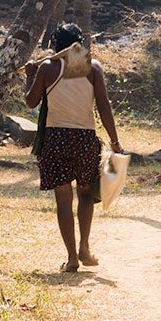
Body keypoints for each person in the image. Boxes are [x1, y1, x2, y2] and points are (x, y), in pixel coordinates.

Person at [24, 23, 123, 273]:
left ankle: (71, 258)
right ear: (80, 45)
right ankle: (85, 246)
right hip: (85, 140)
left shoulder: (47, 67)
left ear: (56, 45)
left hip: (56, 139)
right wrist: (114, 141)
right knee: (86, 194)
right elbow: (103, 105)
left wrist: (29, 75)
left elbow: (30, 101)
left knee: (63, 200)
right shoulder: (93, 68)